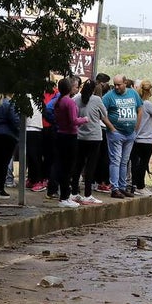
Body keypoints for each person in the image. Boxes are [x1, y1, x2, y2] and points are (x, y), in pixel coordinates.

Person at [102, 74, 143, 199]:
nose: (116, 87)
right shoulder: (109, 96)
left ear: (125, 83)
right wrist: (112, 128)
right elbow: (102, 113)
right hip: (116, 133)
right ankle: (115, 188)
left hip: (130, 133)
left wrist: (136, 128)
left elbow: (140, 109)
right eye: (115, 84)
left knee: (124, 161)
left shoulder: (133, 93)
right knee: (116, 160)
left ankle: (122, 186)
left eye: (119, 84)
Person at [52, 77, 89, 207]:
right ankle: (64, 197)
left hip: (60, 134)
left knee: (62, 166)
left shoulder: (59, 101)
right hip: (70, 136)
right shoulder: (69, 102)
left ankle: (63, 195)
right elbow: (74, 120)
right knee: (68, 168)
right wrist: (84, 119)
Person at [71, 79, 106, 205]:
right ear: (93, 90)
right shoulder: (97, 99)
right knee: (90, 167)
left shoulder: (75, 99)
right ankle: (87, 194)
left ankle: (74, 193)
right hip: (94, 137)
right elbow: (104, 114)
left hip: (79, 137)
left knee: (78, 165)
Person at [130, 80, 152, 194]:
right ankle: (140, 187)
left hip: (135, 139)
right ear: (149, 91)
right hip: (146, 140)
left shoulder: (135, 102)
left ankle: (133, 185)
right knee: (143, 163)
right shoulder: (147, 104)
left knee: (134, 164)